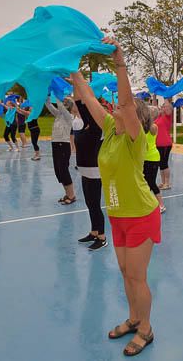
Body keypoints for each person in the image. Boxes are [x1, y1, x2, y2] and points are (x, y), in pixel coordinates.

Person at [73, 38, 159, 357]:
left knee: (137, 276)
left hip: (141, 214)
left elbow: (124, 101)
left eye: (123, 109)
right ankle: (134, 318)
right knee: (126, 273)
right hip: (119, 215)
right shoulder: (110, 128)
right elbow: (89, 97)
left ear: (134, 116)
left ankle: (146, 328)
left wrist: (119, 61)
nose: (116, 109)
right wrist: (74, 70)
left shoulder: (135, 139)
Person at [70, 73, 108, 250]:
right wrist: (75, 80)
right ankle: (93, 231)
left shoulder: (97, 126)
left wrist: (81, 82)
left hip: (94, 170)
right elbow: (79, 101)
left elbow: (88, 98)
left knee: (94, 204)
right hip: (84, 169)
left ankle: (101, 236)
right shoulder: (87, 122)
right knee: (89, 203)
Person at [45, 96, 76, 205]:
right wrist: (47, 96)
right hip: (55, 144)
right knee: (58, 171)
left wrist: (57, 94)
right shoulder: (59, 115)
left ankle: (72, 195)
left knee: (63, 170)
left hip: (63, 145)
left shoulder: (69, 116)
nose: (64, 103)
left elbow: (61, 107)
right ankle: (67, 194)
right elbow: (49, 105)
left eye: (66, 102)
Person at [144, 106, 166, 213]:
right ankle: (147, 203)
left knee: (151, 182)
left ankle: (161, 205)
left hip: (152, 158)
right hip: (144, 159)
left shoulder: (153, 127)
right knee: (144, 182)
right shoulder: (144, 125)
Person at [154, 101, 173, 190]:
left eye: (165, 106)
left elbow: (169, 109)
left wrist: (167, 104)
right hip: (158, 144)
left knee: (164, 163)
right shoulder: (159, 116)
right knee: (160, 164)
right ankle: (163, 182)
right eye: (163, 106)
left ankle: (167, 183)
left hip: (165, 143)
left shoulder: (168, 116)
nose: (163, 107)